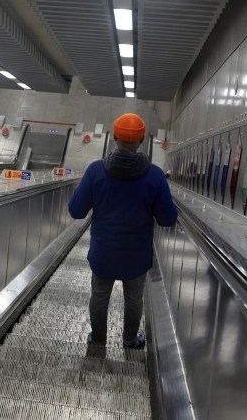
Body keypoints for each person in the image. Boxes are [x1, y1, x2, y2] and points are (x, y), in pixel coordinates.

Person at [68, 113, 177, 349]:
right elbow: (168, 219)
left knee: (99, 295)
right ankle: (129, 340)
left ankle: (98, 340)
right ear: (141, 141)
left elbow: (76, 210)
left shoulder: (96, 171)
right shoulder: (155, 175)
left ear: (115, 137)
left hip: (103, 252)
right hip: (136, 254)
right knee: (134, 297)